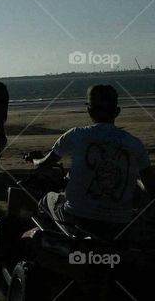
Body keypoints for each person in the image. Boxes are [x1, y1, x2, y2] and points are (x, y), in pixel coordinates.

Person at [33, 85, 154, 235]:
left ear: (89, 110)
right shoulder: (135, 144)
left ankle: (50, 245)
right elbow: (151, 187)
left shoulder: (75, 135)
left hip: (77, 217)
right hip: (118, 225)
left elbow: (44, 164)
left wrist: (34, 160)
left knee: (47, 199)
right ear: (117, 112)